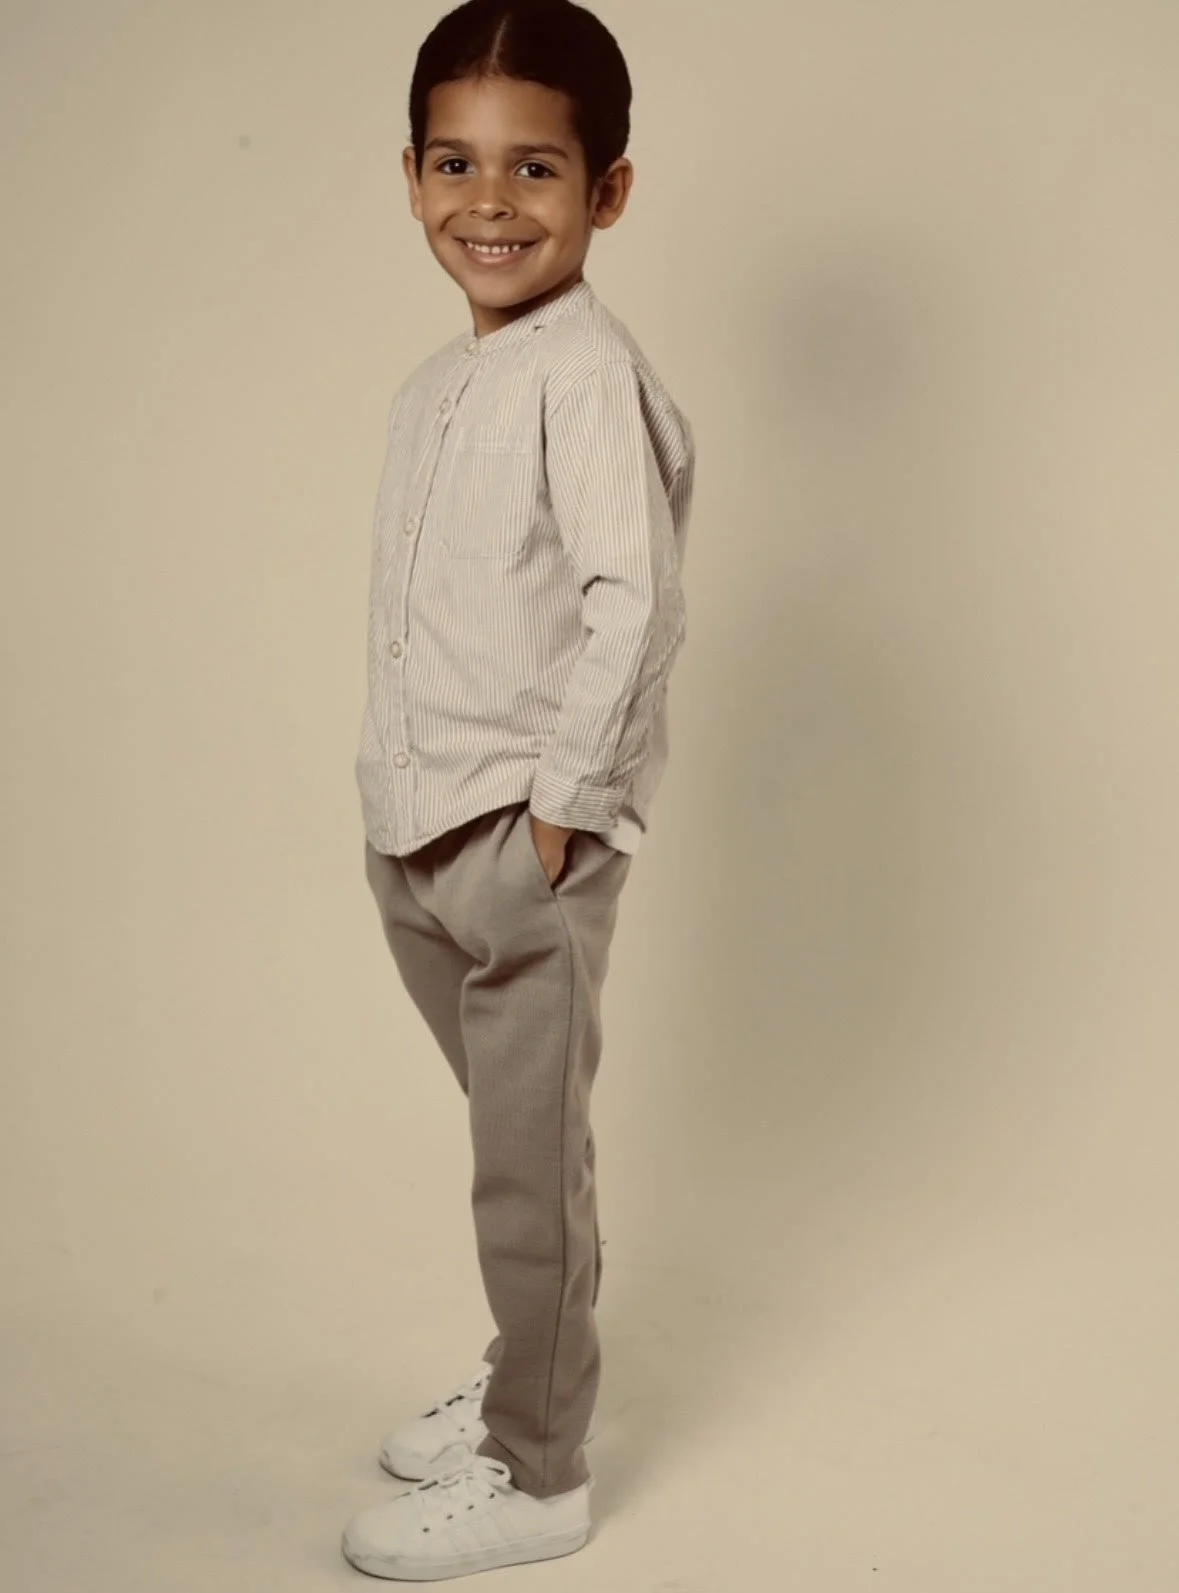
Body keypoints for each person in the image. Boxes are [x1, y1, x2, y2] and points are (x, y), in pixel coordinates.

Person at [342, 0, 695, 1578]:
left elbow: (636, 600)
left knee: (523, 1173)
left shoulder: (587, 376)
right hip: (417, 827)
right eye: (454, 163)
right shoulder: (440, 381)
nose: (488, 201)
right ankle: (526, 1366)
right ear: (411, 176)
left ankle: (538, 1468)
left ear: (603, 190)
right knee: (521, 1146)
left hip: (518, 836)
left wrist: (560, 809)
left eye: (533, 168)